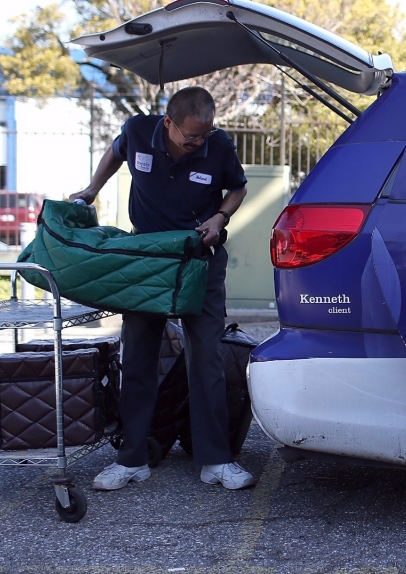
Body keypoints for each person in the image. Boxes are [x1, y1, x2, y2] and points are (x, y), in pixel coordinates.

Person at [71, 87, 256, 491]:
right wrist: (91, 190)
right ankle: (131, 460)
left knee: (205, 359)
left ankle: (216, 461)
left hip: (198, 260)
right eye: (192, 136)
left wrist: (220, 217)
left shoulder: (218, 144)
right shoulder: (138, 131)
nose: (198, 143)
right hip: (149, 262)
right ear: (168, 122)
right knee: (138, 357)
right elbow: (115, 152)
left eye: (204, 135)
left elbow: (238, 187)